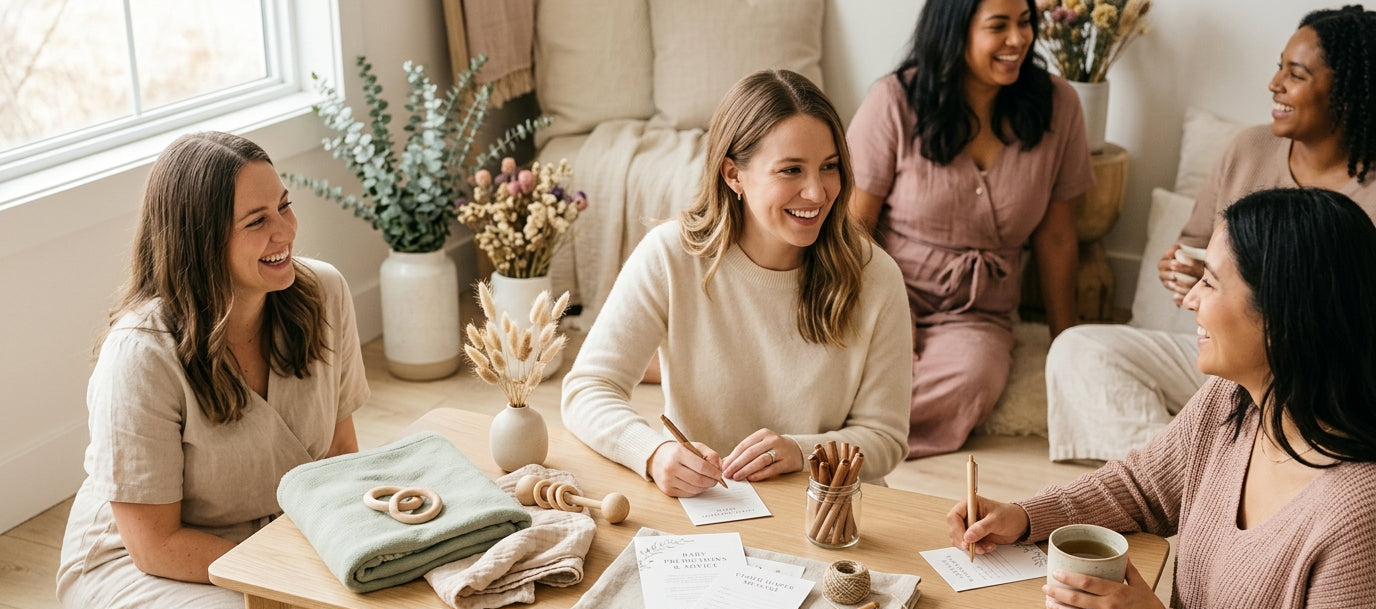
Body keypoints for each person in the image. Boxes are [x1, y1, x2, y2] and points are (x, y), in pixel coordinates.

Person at [0, 132, 453, 609]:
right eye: (257, 221)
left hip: (274, 542)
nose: (286, 231)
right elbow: (154, 543)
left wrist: (369, 555)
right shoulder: (141, 354)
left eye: (285, 206)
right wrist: (299, 576)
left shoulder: (322, 294)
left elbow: (341, 458)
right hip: (138, 568)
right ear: (200, 239)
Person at [951, 187, 1376, 609]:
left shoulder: (1358, 514)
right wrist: (1026, 516)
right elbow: (1139, 488)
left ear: (1284, 315)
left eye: (1212, 283)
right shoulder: (1235, 404)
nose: (1190, 300)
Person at [1045, 5, 1376, 462]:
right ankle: (1185, 477)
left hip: (1321, 385)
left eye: (1295, 75)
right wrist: (1183, 273)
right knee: (1079, 349)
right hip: (1224, 360)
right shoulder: (1248, 149)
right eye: (1278, 66)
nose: (1274, 84)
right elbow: (1197, 250)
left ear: (1348, 91)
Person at [562, 69, 911, 498]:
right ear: (733, 175)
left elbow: (886, 438)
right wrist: (653, 453)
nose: (818, 193)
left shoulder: (876, 276)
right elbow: (588, 388)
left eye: (829, 167)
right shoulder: (671, 256)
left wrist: (801, 452)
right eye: (791, 170)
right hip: (710, 504)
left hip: (831, 510)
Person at [847, 0, 1093, 459]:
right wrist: (888, 314)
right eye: (998, 26)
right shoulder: (894, 101)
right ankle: (819, 418)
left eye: (1025, 23)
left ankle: (846, 438)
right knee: (832, 359)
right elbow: (854, 228)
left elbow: (1057, 237)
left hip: (977, 312)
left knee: (971, 378)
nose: (1018, 40)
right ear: (954, 32)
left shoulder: (1059, 105)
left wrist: (1066, 350)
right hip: (883, 290)